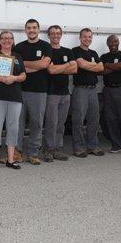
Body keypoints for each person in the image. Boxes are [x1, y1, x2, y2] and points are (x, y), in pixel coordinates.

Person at [0, 31, 26, 170]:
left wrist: (14, 78)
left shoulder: (18, 57)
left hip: (15, 98)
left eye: (9, 38)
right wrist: (2, 78)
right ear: (0, 41)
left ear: (13, 41)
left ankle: (11, 159)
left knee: (13, 128)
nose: (6, 40)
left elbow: (23, 75)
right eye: (3, 38)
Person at [14, 19, 52, 165]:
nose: (32, 30)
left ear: (38, 29)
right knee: (18, 124)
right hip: (20, 90)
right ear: (25, 30)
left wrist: (24, 63)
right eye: (29, 28)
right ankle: (17, 152)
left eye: (34, 28)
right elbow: (16, 68)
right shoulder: (19, 47)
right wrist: (37, 65)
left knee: (36, 123)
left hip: (39, 91)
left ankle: (34, 153)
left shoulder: (45, 46)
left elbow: (44, 64)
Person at [43, 25, 77, 162]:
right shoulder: (47, 51)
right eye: (52, 33)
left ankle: (58, 149)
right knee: (51, 122)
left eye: (58, 33)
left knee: (61, 123)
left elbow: (74, 69)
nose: (55, 35)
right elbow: (51, 70)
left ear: (61, 35)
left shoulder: (68, 51)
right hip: (51, 93)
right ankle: (48, 150)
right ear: (49, 36)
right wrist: (66, 65)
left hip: (65, 93)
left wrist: (60, 67)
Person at [71, 28, 105, 158]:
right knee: (78, 119)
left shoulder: (94, 52)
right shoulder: (75, 51)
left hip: (93, 90)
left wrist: (88, 65)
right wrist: (93, 65)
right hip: (80, 90)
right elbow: (81, 64)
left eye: (90, 37)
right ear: (80, 38)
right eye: (85, 37)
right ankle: (79, 148)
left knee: (93, 119)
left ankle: (92, 146)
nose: (87, 39)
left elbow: (101, 68)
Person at [100, 35, 121, 156]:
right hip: (108, 90)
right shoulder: (103, 56)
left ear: (118, 42)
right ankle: (117, 145)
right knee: (111, 118)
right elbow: (101, 71)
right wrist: (115, 67)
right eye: (111, 41)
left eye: (115, 41)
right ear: (107, 43)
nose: (113, 43)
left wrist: (107, 65)